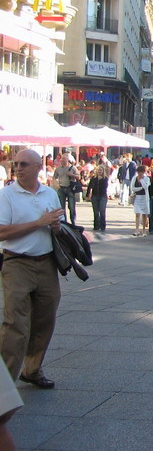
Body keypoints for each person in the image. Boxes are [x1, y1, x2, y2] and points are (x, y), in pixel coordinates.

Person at [0, 148, 65, 388]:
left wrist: (56, 227)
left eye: (24, 164)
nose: (18, 168)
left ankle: (32, 369)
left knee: (44, 320)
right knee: (15, 323)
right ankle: (5, 382)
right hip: (17, 263)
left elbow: (58, 227)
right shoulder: (7, 195)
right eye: (16, 164)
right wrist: (39, 223)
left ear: (39, 167)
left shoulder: (50, 193)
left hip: (46, 263)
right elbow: (1, 231)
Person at [53, 154, 79, 225]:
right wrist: (57, 185)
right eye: (61, 159)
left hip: (70, 188)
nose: (62, 160)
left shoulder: (73, 168)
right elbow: (54, 178)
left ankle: (73, 221)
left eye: (64, 159)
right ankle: (64, 221)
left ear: (67, 160)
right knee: (62, 207)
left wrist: (72, 175)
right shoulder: (58, 169)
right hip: (61, 188)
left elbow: (78, 176)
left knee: (71, 206)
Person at [86, 165, 109, 232]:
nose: (99, 171)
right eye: (98, 170)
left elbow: (105, 187)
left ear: (103, 171)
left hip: (103, 196)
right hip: (95, 195)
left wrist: (100, 180)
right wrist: (87, 195)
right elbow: (90, 186)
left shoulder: (105, 178)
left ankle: (102, 226)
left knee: (102, 211)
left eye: (101, 170)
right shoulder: (93, 178)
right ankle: (96, 226)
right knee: (95, 212)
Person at [130, 165, 150, 237]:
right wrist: (140, 188)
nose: (139, 174)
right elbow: (132, 188)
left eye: (141, 172)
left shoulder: (146, 179)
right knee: (137, 213)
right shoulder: (134, 178)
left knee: (145, 215)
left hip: (145, 198)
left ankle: (144, 230)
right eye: (138, 172)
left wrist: (141, 180)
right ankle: (137, 230)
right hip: (137, 197)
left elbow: (145, 187)